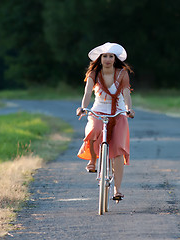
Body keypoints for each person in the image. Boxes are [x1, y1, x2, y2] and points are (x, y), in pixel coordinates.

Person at [76, 42, 135, 200]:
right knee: (93, 130)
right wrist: (82, 107)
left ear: (115, 59)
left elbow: (126, 93)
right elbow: (88, 92)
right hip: (98, 110)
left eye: (111, 56)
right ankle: (93, 161)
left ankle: (117, 190)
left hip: (119, 113)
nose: (108, 59)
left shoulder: (122, 73)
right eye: (105, 56)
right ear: (100, 58)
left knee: (118, 150)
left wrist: (129, 109)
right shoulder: (94, 73)